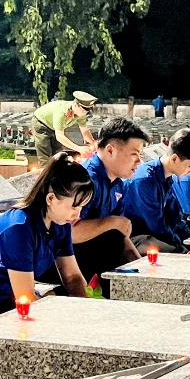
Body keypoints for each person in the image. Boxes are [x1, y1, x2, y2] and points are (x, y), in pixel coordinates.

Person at [0, 153, 92, 323]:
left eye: (82, 207)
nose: (78, 215)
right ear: (51, 198)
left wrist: (86, 310)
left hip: (19, 296)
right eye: (74, 207)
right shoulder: (18, 228)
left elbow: (72, 277)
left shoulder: (61, 224)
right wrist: (68, 318)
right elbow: (25, 299)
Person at [41, 115, 146, 287]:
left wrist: (139, 265)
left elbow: (120, 232)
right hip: (57, 260)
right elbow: (69, 232)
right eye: (134, 154)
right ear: (110, 150)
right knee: (110, 240)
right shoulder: (85, 179)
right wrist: (112, 222)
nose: (138, 161)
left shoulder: (118, 183)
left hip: (86, 254)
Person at [121, 128, 190, 253]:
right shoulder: (145, 180)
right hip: (132, 237)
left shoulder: (167, 178)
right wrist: (182, 248)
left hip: (153, 234)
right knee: (175, 252)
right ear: (174, 159)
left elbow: (176, 219)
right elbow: (157, 225)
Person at [31, 90, 97, 158]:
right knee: (45, 153)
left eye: (87, 111)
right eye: (83, 110)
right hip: (41, 123)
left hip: (53, 127)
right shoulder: (62, 111)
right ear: (75, 105)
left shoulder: (80, 114)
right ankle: (45, 167)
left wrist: (93, 143)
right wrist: (79, 149)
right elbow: (60, 136)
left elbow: (85, 131)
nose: (85, 113)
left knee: (58, 154)